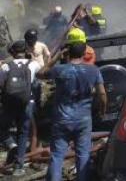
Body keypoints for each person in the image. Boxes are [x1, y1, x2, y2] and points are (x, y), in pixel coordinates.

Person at [38, 40, 107, 181]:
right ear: (84, 53)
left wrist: (56, 58)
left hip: (61, 119)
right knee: (83, 154)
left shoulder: (60, 69)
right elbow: (102, 93)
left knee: (57, 155)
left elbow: (40, 73)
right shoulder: (93, 70)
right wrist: (103, 109)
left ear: (68, 53)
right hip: (83, 119)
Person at [0, 41, 40, 176]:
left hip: (9, 104)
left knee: (2, 127)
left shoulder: (6, 66)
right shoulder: (33, 64)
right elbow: (43, 74)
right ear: (26, 51)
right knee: (23, 133)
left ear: (13, 52)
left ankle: (11, 145)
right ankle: (18, 168)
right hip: (27, 103)